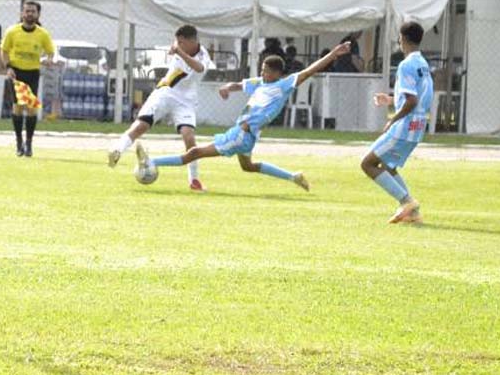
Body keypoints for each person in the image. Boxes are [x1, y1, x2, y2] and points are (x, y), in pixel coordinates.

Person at [135, 42, 351, 191]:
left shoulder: (283, 86)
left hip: (242, 132)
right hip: (247, 134)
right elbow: (241, 84)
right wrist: (228, 87)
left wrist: (333, 54)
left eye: (267, 70)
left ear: (277, 73)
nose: (263, 73)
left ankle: (151, 161)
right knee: (247, 167)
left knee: (194, 153)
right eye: (263, 69)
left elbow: (309, 71)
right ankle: (294, 176)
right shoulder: (261, 82)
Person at [107, 24, 211, 191]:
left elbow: (198, 68)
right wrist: (177, 48)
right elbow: (177, 47)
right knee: (142, 125)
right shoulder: (179, 47)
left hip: (186, 101)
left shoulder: (203, 55)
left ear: (193, 42)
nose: (178, 44)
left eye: (181, 42)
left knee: (189, 137)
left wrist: (179, 52)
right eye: (177, 41)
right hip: (165, 92)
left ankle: (194, 180)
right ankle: (116, 150)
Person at [361, 21, 433, 224]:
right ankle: (413, 212)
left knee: (367, 163)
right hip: (417, 126)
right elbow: (418, 98)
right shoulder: (423, 64)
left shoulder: (406, 65)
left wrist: (393, 119)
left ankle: (407, 201)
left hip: (404, 127)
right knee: (388, 164)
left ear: (402, 39)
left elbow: (411, 100)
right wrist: (392, 100)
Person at [0, 0, 55, 157]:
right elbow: (4, 50)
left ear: (38, 14)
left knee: (31, 109)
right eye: (27, 11)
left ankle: (29, 143)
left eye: (33, 11)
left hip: (32, 73)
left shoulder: (42, 34)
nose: (29, 14)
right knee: (18, 107)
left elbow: (50, 51)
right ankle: (18, 142)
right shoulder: (12, 31)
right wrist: (8, 67)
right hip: (17, 73)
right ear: (21, 13)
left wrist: (49, 59)